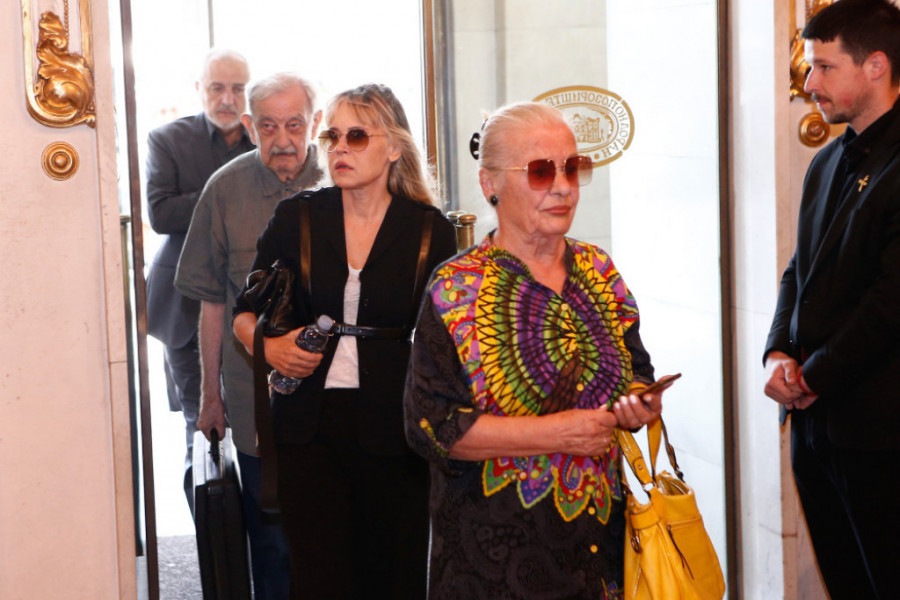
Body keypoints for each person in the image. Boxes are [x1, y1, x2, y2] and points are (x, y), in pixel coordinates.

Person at [404, 101, 665, 599]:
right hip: (495, 560)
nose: (564, 187)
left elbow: (637, 370)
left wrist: (639, 404)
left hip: (601, 551)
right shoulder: (456, 289)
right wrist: (557, 434)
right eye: (542, 171)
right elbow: (430, 426)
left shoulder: (599, 270)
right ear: (490, 183)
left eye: (573, 168)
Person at [232, 83, 457, 600]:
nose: (339, 148)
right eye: (332, 136)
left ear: (393, 147)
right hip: (308, 427)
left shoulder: (429, 231)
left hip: (396, 425)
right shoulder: (298, 217)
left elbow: (447, 339)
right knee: (318, 579)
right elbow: (246, 311)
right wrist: (269, 348)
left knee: (394, 577)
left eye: (357, 136)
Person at [763, 1, 900, 598]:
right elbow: (800, 270)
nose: (809, 83)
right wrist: (778, 352)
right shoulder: (826, 161)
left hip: (882, 433)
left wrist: (814, 375)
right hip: (815, 427)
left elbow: (890, 304)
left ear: (875, 65)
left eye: (823, 67)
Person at [175, 72, 325, 600]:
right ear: (248, 125)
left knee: (334, 538)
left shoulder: (346, 179)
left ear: (316, 122)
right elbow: (212, 302)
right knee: (272, 542)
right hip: (254, 400)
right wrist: (209, 398)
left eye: (294, 125)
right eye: (268, 126)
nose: (282, 140)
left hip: (337, 404)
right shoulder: (224, 190)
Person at [145, 48, 253, 512]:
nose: (227, 99)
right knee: (202, 428)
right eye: (217, 87)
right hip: (184, 308)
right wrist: (226, 192)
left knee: (258, 430)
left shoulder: (264, 140)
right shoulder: (167, 139)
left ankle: (257, 536)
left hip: (252, 305)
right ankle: (214, 542)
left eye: (238, 88)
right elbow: (161, 213)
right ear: (199, 89)